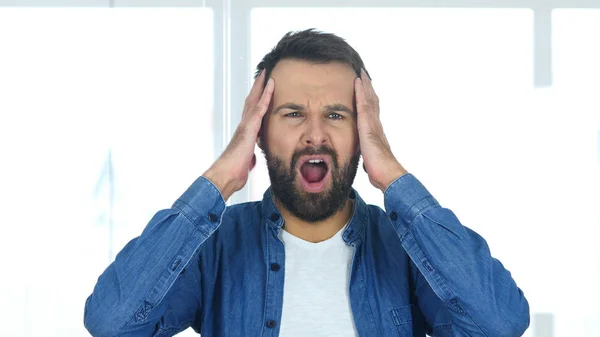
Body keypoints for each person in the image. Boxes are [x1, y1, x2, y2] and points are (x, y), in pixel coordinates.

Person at [84, 29, 530, 337]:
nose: (315, 134)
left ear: (363, 132)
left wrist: (392, 175)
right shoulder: (218, 246)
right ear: (259, 132)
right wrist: (221, 177)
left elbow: (500, 322)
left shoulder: (404, 245)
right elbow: (112, 322)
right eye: (293, 113)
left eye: (337, 115)